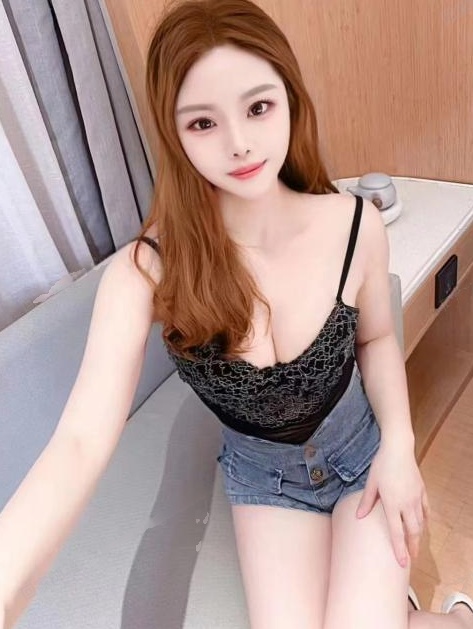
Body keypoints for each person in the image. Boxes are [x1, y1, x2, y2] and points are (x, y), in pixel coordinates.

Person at [0, 0, 472, 627]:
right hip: (265, 479)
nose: (239, 143)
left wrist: (401, 448)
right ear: (174, 134)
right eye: (203, 123)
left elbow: (377, 340)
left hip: (363, 454)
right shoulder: (147, 272)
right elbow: (79, 442)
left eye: (258, 107)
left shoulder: (353, 223)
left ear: (290, 98)